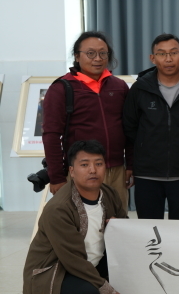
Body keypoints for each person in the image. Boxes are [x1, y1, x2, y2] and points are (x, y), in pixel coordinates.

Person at [23, 140, 143, 294]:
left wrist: (117, 226)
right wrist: (109, 293)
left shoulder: (109, 193)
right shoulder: (59, 208)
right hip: (55, 270)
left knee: (132, 254)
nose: (93, 170)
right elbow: (72, 260)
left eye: (98, 164)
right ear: (72, 171)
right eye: (85, 164)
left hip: (89, 262)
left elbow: (125, 229)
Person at [42, 31, 132, 208]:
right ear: (77, 56)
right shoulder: (62, 88)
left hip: (116, 170)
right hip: (81, 170)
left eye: (103, 53)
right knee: (84, 221)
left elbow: (129, 129)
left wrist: (130, 165)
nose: (97, 58)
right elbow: (51, 135)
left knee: (117, 220)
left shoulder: (119, 86)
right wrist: (57, 177)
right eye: (90, 53)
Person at [123, 33, 179, 220]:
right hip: (147, 174)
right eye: (161, 54)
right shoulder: (140, 89)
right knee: (149, 230)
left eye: (173, 53)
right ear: (153, 58)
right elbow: (130, 127)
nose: (168, 59)